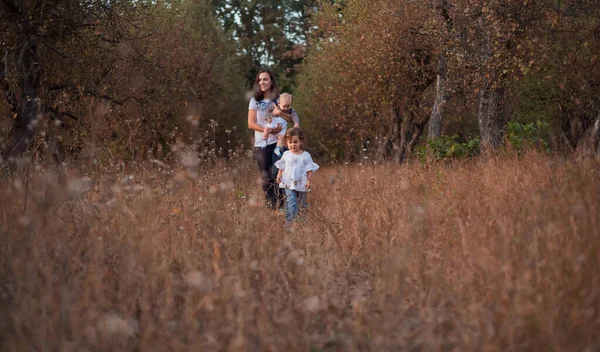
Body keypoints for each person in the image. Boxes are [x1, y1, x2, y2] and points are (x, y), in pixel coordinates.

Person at [248, 69, 290, 209]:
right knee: (266, 178)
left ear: (271, 81)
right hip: (262, 144)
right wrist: (268, 130)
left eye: (265, 79)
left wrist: (279, 113)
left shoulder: (279, 100)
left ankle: (283, 205)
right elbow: (251, 123)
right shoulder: (254, 101)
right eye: (259, 80)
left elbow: (290, 118)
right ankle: (271, 207)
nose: (262, 82)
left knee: (278, 174)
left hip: (278, 143)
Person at [275, 128, 319, 225]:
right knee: (291, 201)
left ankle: (302, 220)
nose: (292, 145)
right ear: (287, 142)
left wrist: (308, 181)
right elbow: (281, 166)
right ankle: (289, 221)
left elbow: (309, 169)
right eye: (290, 142)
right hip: (288, 182)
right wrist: (279, 176)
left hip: (301, 183)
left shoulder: (306, 156)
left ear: (301, 142)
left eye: (295, 142)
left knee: (302, 202)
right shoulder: (286, 154)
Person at [262, 93, 300, 157]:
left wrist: (296, 123)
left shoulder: (291, 111)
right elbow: (267, 110)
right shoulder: (274, 106)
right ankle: (264, 141)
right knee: (266, 129)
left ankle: (277, 149)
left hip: (283, 126)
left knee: (281, 137)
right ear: (279, 103)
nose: (286, 108)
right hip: (274, 122)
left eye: (288, 106)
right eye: (284, 106)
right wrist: (268, 117)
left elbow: (295, 117)